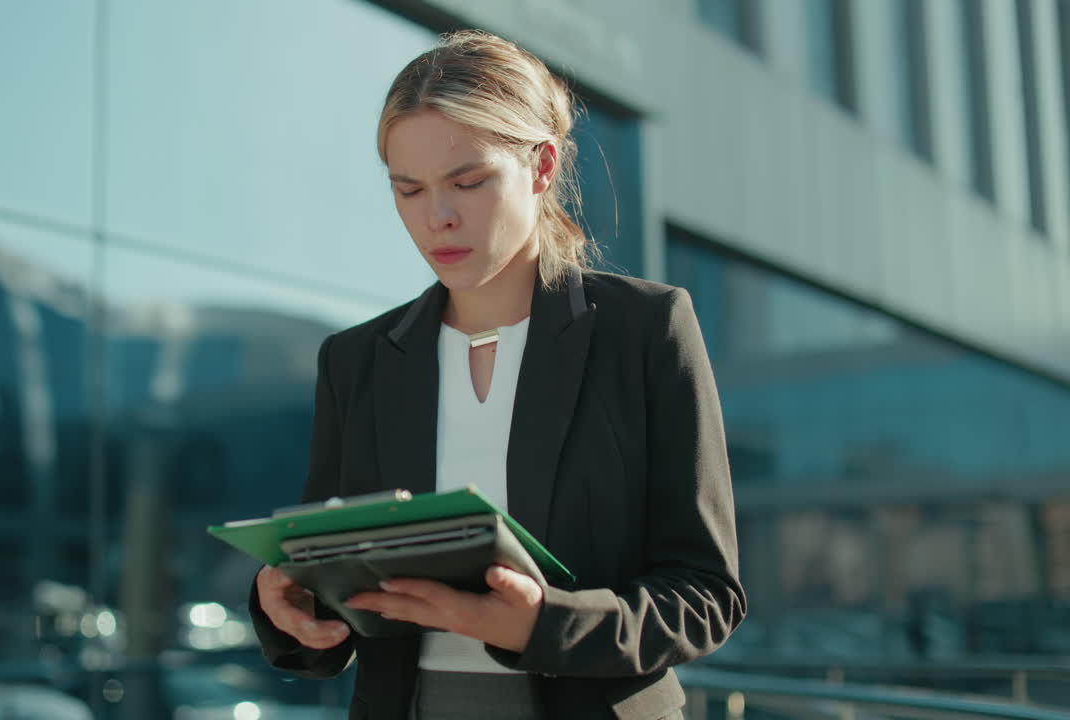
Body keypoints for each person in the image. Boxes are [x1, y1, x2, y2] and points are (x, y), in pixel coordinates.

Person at [249, 29, 746, 719]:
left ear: (541, 167)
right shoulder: (356, 361)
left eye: (468, 181)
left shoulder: (646, 330)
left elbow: (705, 593)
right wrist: (293, 609)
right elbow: (336, 588)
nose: (437, 217)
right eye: (409, 190)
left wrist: (544, 623)